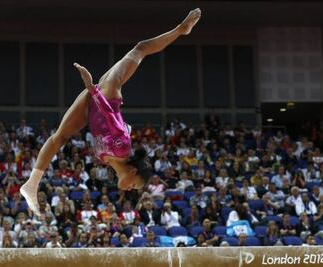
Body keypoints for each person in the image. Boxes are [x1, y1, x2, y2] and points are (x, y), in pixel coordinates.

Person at [20, 8, 202, 215]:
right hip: (107, 95)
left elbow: (110, 126)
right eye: (134, 185)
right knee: (140, 48)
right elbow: (110, 115)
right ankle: (181, 30)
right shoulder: (121, 149)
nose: (130, 189)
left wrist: (123, 125)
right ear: (133, 171)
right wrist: (92, 88)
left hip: (94, 103)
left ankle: (32, 184)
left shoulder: (106, 160)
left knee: (60, 137)